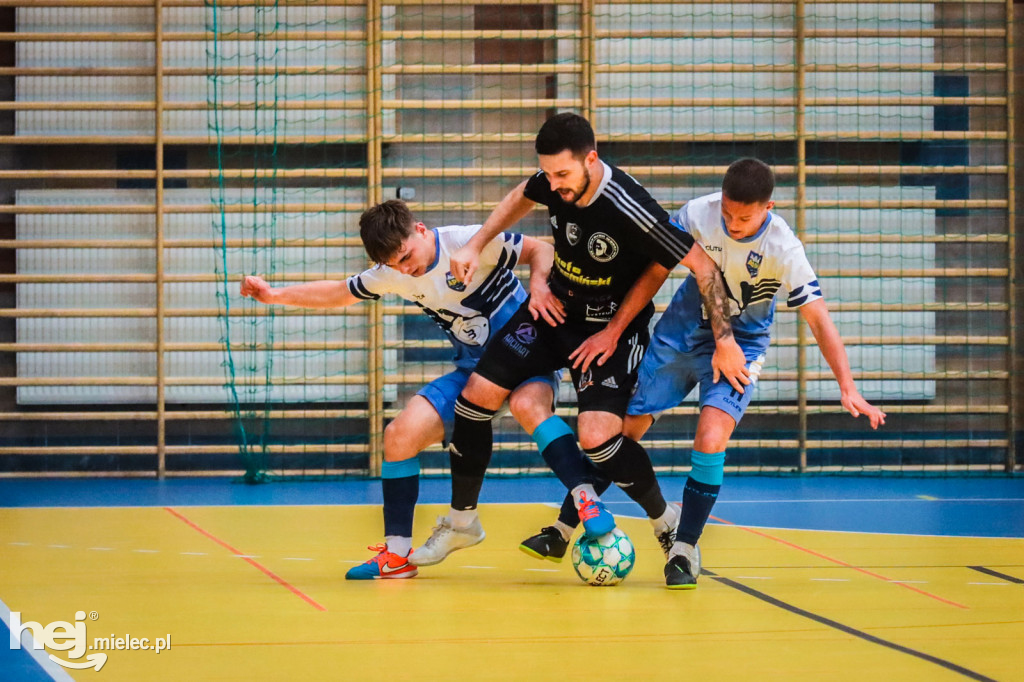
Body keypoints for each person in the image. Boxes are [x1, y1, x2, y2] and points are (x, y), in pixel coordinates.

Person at [409, 113, 749, 567]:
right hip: (556, 311)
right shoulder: (553, 179)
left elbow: (702, 267)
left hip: (611, 328)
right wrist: (480, 247)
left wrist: (723, 340)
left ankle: (664, 519)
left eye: (563, 175)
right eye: (548, 174)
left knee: (598, 438)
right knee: (474, 400)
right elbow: (521, 196)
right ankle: (462, 522)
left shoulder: (629, 206)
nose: (554, 184)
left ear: (592, 159)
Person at [240, 199, 613, 580]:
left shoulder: (465, 241)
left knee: (527, 405)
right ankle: (398, 555)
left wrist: (537, 286)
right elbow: (339, 292)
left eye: (407, 256)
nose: (406, 269)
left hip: (527, 358)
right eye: (395, 265)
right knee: (398, 436)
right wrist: (274, 295)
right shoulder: (393, 272)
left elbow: (542, 249)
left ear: (419, 229)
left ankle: (587, 501)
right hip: (473, 373)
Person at [621, 158, 887, 589]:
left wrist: (847, 386)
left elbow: (819, 319)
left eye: (744, 217)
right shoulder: (696, 214)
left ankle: (684, 549)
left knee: (711, 437)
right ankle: (573, 521)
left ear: (769, 207)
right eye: (727, 213)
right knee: (623, 432)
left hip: (742, 346)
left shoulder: (784, 248)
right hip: (682, 332)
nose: (733, 223)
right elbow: (655, 269)